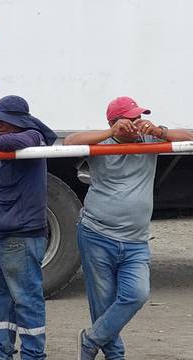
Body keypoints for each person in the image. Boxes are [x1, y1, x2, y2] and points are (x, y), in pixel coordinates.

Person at [64, 96, 193, 360]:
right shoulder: (102, 142)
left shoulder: (151, 141)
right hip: (97, 233)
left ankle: (91, 339)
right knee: (102, 301)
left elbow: (190, 137)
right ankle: (115, 355)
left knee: (137, 294)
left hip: (136, 240)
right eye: (131, 119)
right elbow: (69, 142)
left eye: (139, 118)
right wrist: (110, 133)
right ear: (115, 122)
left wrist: (159, 131)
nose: (137, 124)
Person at [0, 95, 57, 360]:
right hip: (2, 232)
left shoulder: (31, 136)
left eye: (4, 121)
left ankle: (32, 355)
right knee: (2, 298)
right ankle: (0, 353)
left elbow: (17, 141)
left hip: (19, 234)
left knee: (26, 299)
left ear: (19, 122)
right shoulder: (11, 144)